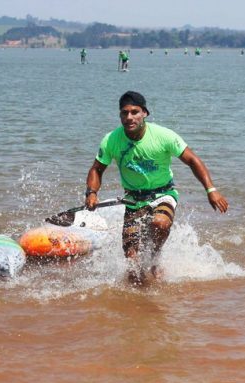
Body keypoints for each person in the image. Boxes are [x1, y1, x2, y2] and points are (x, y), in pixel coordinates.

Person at [84, 91, 229, 286]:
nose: (129, 117)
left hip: (163, 194)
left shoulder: (163, 135)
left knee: (160, 223)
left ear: (145, 113)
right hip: (133, 200)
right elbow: (96, 169)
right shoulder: (111, 140)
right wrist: (91, 193)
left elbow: (193, 160)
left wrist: (211, 190)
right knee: (133, 267)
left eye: (134, 112)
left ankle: (155, 257)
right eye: (124, 113)